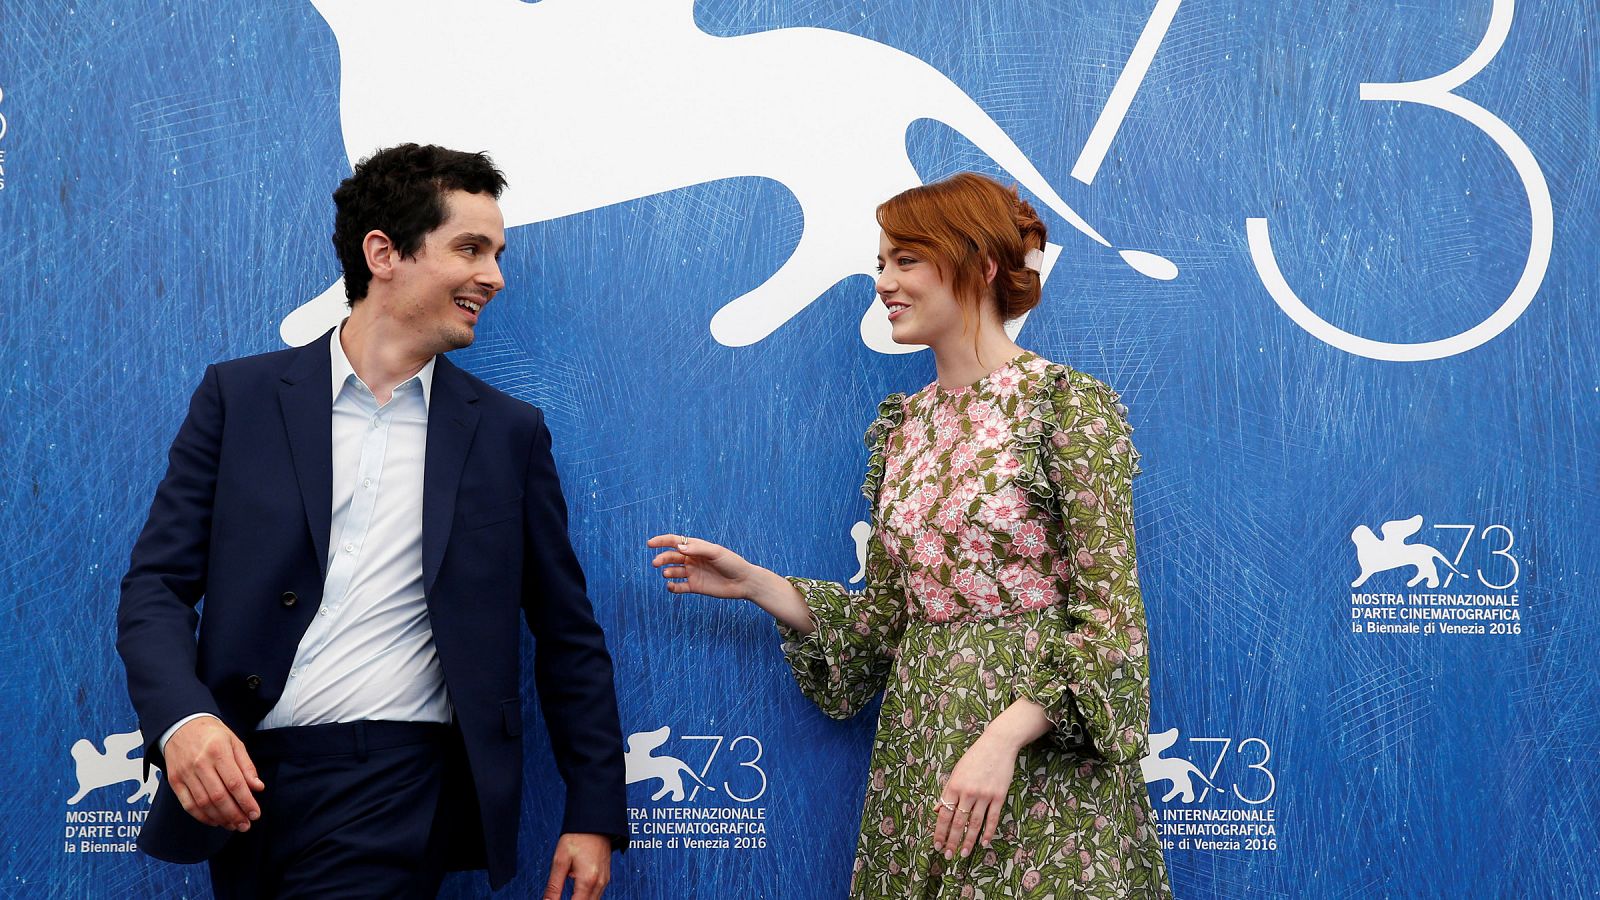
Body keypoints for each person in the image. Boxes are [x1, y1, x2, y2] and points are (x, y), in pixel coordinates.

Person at [117, 143, 625, 899]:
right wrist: (182, 722)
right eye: (470, 248)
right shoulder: (239, 398)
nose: (495, 276)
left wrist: (593, 812)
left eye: (497, 252)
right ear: (383, 252)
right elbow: (155, 587)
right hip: (234, 783)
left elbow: (567, 634)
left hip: (391, 785)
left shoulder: (508, 435)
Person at [649, 173, 1170, 897]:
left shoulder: (1064, 406)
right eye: (881, 264)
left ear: (981, 265)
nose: (885, 283)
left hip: (1040, 758)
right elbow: (886, 624)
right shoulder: (905, 427)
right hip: (919, 745)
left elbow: (1113, 621)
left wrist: (1003, 738)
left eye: (906, 260)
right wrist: (757, 585)